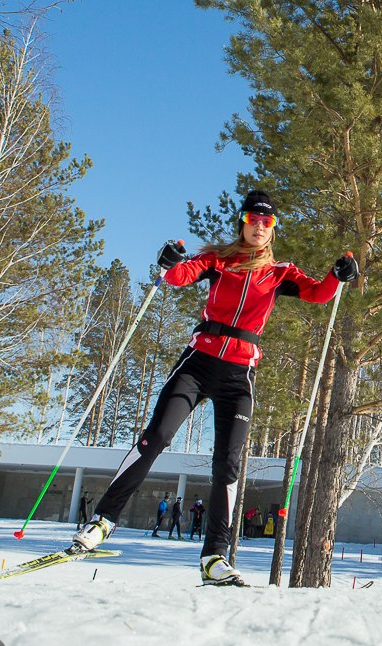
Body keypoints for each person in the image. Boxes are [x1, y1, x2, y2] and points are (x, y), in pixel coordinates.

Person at [73, 190, 359, 586]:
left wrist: (337, 274)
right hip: (200, 363)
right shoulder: (218, 260)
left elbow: (318, 293)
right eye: (253, 219)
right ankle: (102, 521)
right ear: (242, 222)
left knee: (228, 462)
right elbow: (178, 275)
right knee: (155, 438)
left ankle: (213, 557)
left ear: (273, 229)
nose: (259, 226)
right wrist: (170, 260)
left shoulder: (281, 273)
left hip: (239, 375)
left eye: (267, 221)